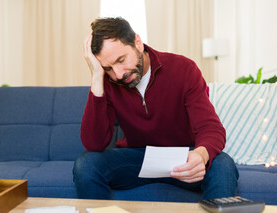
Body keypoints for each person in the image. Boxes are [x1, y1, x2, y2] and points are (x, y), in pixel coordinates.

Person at [73, 17, 239, 200]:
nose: (118, 74)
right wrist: (97, 77)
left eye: (121, 60)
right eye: (108, 68)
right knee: (86, 164)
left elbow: (211, 128)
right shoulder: (109, 82)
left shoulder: (183, 69)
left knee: (222, 164)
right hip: (138, 161)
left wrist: (200, 155)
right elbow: (94, 144)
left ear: (138, 43)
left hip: (183, 158)